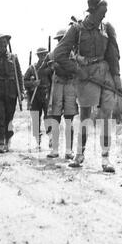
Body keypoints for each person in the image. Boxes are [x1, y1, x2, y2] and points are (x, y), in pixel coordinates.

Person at [53, 0, 122, 173]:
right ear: (92, 11)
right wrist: (78, 70)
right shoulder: (77, 29)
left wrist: (117, 82)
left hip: (105, 73)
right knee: (85, 116)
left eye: (105, 13)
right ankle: (79, 155)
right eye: (101, 13)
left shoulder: (108, 28)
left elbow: (113, 56)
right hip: (85, 75)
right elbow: (59, 54)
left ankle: (106, 159)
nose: (104, 16)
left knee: (106, 115)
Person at [39, 29, 78, 159]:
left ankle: (68, 151)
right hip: (57, 86)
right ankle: (55, 150)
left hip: (70, 87)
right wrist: (51, 67)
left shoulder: (75, 54)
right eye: (60, 39)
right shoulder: (52, 54)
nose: (62, 41)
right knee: (55, 119)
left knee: (69, 120)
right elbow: (41, 71)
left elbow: (78, 70)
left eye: (64, 38)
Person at [0, 34, 24, 153]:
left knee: (9, 117)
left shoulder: (13, 58)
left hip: (11, 92)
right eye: (1, 42)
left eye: (5, 42)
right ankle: (0, 142)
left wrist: (21, 91)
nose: (3, 44)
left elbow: (19, 76)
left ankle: (8, 140)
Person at [24, 47, 52, 150]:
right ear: (38, 56)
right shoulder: (32, 68)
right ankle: (37, 141)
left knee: (49, 116)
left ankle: (51, 138)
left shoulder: (50, 67)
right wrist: (32, 83)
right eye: (41, 55)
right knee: (35, 118)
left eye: (45, 55)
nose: (43, 57)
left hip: (46, 93)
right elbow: (24, 81)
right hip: (34, 95)